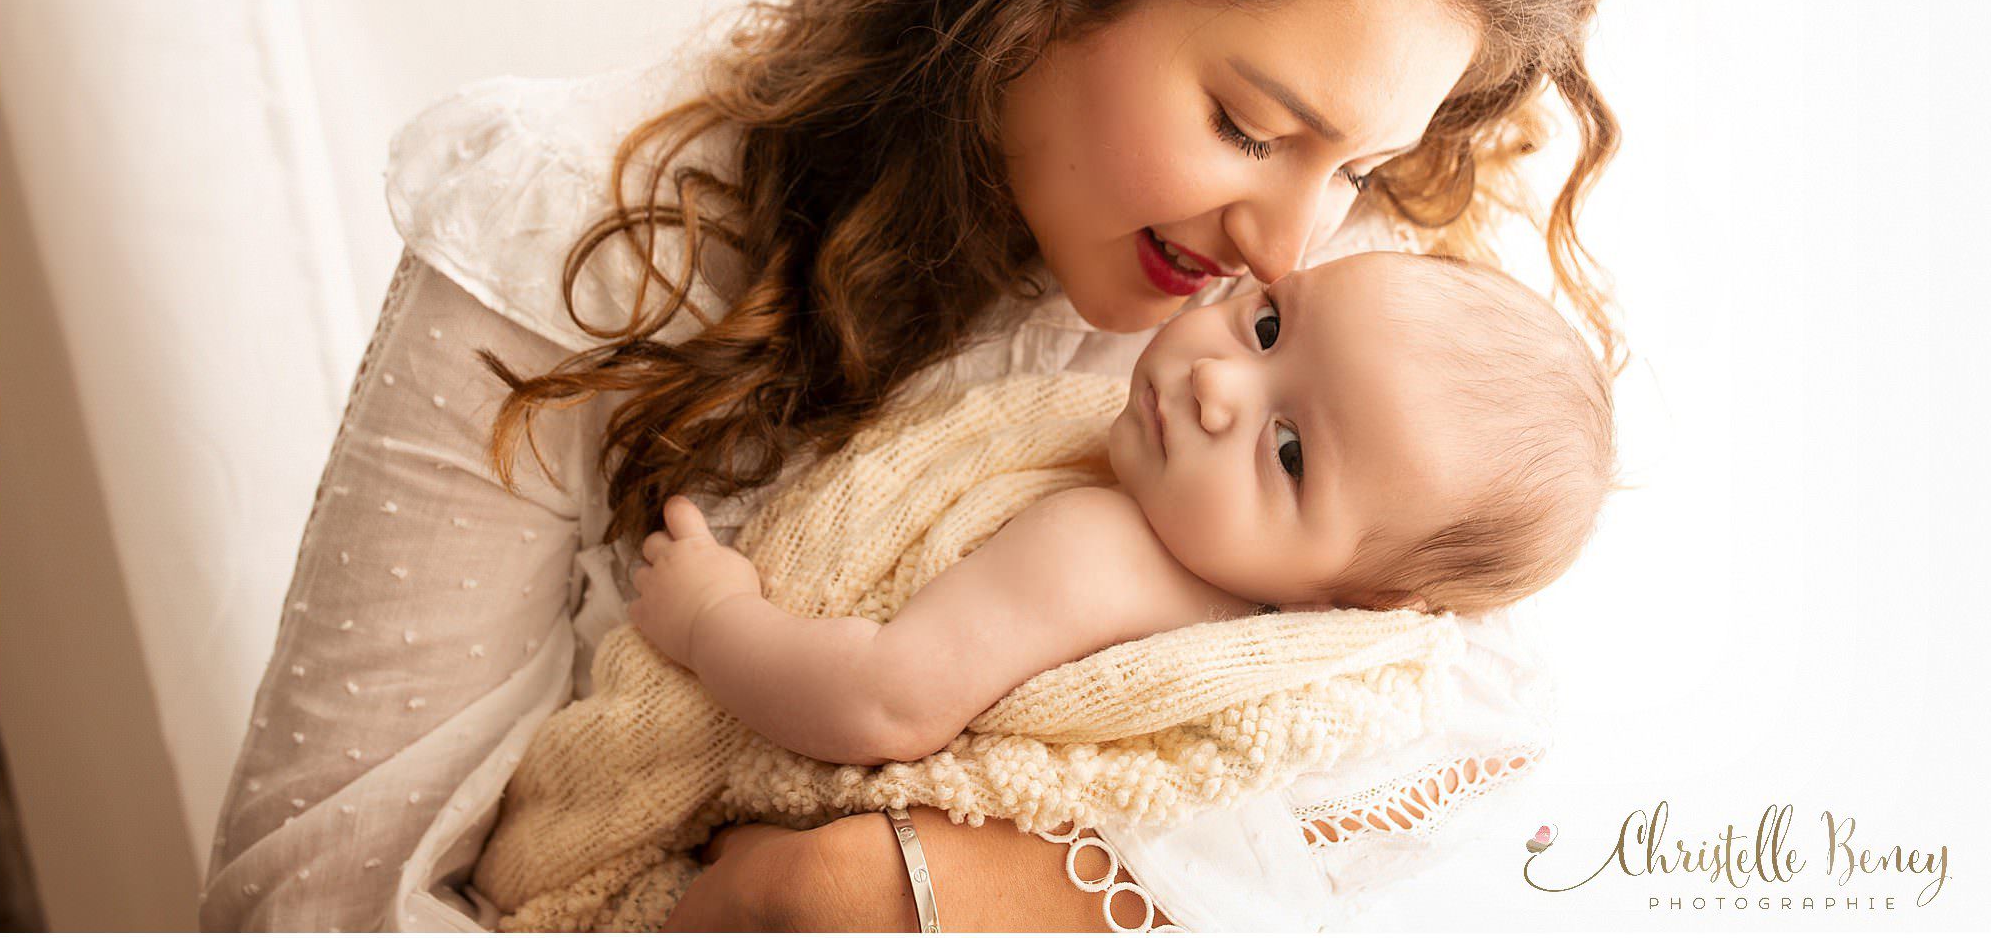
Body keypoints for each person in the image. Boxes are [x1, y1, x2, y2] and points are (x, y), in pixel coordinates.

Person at [202, 0, 1625, 930]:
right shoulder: (575, 229)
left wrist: (874, 882)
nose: (1293, 244)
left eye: (1362, 165)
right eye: (1249, 126)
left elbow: (1448, 721)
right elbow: (308, 900)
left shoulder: (1327, 313)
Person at [469, 250, 1617, 931]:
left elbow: (885, 699)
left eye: (1288, 453)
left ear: (1352, 602)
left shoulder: (1099, 544)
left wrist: (713, 618)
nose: (1220, 381)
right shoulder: (1207, 553)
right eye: (1268, 321)